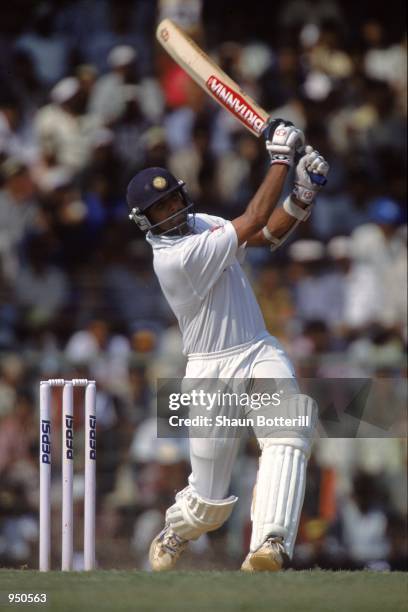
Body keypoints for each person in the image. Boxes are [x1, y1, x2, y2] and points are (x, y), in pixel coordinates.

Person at [126, 119, 329, 571]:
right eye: (161, 208)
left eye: (174, 198)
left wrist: (301, 196)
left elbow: (265, 235)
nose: (174, 209)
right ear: (146, 222)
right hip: (209, 370)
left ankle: (269, 545)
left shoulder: (203, 224)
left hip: (257, 349)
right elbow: (254, 217)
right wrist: (280, 158)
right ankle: (177, 528)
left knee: (289, 433)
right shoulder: (174, 260)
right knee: (210, 504)